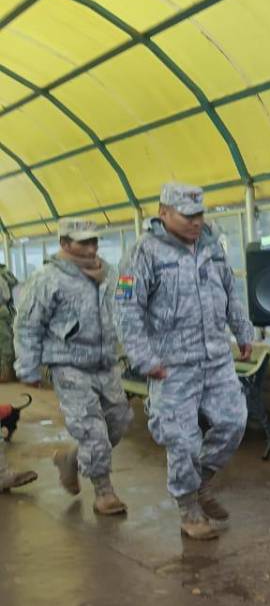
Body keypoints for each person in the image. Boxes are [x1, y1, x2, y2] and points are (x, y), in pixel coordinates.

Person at [116, 183, 254, 540]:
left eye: (200, 215)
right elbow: (127, 309)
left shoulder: (212, 246)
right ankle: (189, 509)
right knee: (182, 441)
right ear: (163, 213)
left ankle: (200, 482)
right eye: (187, 216)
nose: (196, 222)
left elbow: (229, 292)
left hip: (216, 358)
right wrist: (145, 359)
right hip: (171, 364)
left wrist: (243, 331)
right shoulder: (143, 253)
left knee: (234, 422)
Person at [14, 218, 133, 515]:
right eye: (83, 242)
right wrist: (27, 368)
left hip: (106, 363)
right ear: (65, 244)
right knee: (92, 430)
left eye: (94, 241)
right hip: (68, 364)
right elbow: (28, 324)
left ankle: (70, 458)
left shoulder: (112, 273)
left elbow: (127, 309)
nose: (91, 247)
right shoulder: (47, 278)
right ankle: (104, 492)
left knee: (118, 422)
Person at [0, 263, 19, 383]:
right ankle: (12, 371)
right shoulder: (6, 272)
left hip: (2, 310)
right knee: (10, 341)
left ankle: (7, 374)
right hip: (9, 309)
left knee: (4, 344)